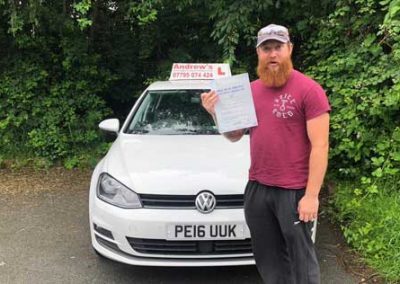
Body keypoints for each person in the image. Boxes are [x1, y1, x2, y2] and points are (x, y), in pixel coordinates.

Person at [201, 24, 330, 284]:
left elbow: (320, 146)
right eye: (266, 48)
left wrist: (311, 196)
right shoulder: (249, 90)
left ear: (289, 49)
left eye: (278, 47)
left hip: (293, 191)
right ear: (258, 53)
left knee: (301, 259)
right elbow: (235, 135)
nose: (272, 54)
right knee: (268, 258)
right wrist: (216, 113)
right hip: (258, 188)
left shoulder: (309, 90)